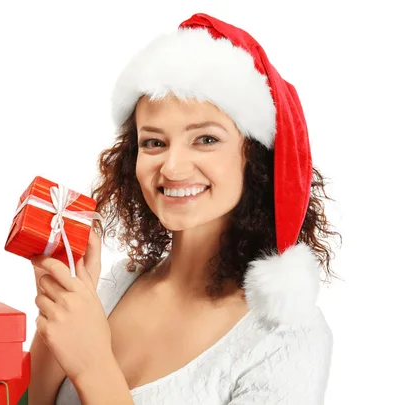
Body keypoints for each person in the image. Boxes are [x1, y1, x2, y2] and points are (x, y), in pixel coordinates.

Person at [27, 12, 340, 405]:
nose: (172, 167)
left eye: (206, 139)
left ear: (255, 158)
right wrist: (62, 310)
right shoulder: (120, 282)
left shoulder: (289, 337)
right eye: (154, 142)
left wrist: (93, 365)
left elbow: (91, 370)